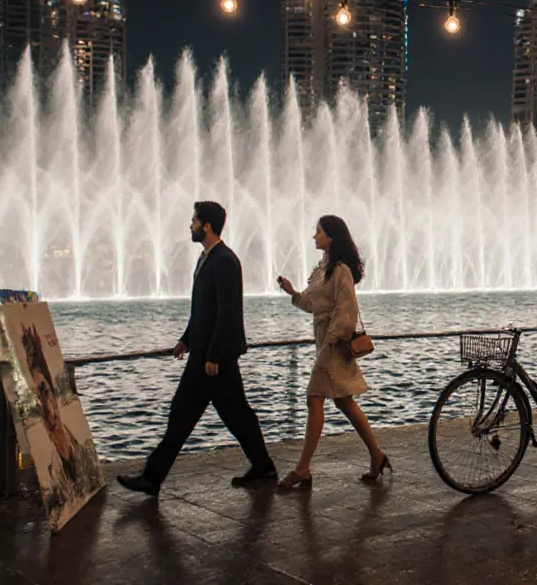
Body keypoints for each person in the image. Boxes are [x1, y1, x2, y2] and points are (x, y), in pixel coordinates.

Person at [118, 201, 276, 496]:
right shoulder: (206, 259)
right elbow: (202, 312)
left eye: (193, 221)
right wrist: (186, 340)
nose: (189, 226)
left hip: (213, 359)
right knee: (231, 413)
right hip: (205, 354)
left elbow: (228, 313)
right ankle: (263, 466)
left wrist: (213, 355)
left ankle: (153, 477)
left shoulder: (225, 261)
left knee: (186, 413)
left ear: (207, 226)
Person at [275, 215, 389, 490]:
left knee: (314, 397)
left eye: (319, 232)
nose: (314, 237)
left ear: (331, 237)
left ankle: (303, 469)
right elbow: (313, 304)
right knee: (344, 402)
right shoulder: (323, 269)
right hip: (326, 341)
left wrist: (333, 339)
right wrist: (293, 292)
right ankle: (377, 456)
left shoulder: (340, 270)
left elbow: (347, 309)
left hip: (334, 345)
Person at [20, 324, 102, 522]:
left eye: (46, 392)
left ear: (55, 395)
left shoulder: (86, 450)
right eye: (37, 400)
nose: (46, 409)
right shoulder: (53, 480)